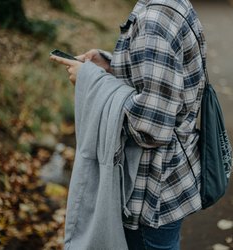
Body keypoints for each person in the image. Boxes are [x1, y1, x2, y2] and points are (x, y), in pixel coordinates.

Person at [50, 0, 207, 249]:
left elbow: (150, 128)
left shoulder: (155, 19)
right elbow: (165, 77)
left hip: (149, 193)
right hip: (168, 181)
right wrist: (110, 65)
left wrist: (91, 81)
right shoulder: (170, 4)